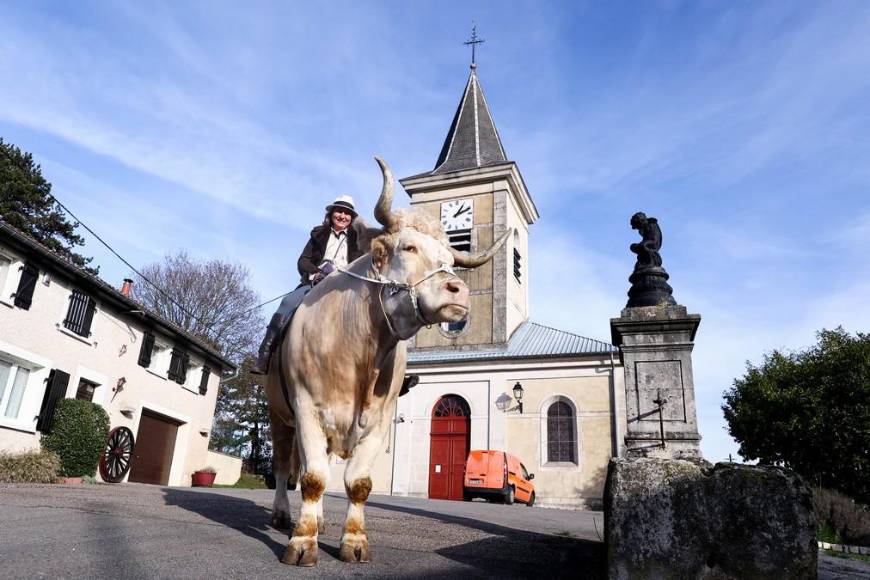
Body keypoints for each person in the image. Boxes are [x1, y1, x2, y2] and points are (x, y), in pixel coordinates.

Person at [251, 195, 363, 374]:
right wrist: (316, 273)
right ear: (331, 213)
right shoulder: (318, 234)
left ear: (352, 217)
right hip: (316, 282)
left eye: (347, 213)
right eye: (339, 211)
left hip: (346, 285)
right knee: (287, 303)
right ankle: (264, 355)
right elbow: (303, 260)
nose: (342, 216)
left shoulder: (358, 239)